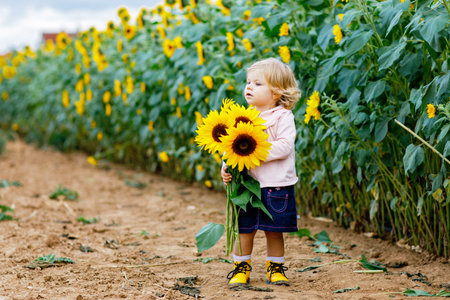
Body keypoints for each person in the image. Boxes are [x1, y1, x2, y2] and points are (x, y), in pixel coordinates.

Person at [221, 58, 301, 287]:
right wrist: (226, 168)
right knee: (244, 230)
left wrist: (254, 151)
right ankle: (241, 268)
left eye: (257, 84)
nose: (249, 87)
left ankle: (275, 268)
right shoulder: (242, 118)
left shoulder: (282, 117)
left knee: (274, 231)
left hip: (276, 186)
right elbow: (229, 148)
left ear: (276, 92)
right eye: (248, 82)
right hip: (247, 186)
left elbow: (285, 146)